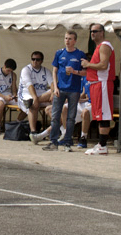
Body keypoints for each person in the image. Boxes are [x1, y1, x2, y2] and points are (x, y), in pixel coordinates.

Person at [33, 31, 85, 149]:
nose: (67, 41)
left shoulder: (80, 54)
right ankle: (53, 142)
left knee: (70, 117)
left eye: (70, 39)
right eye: (66, 38)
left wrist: (74, 71)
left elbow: (86, 72)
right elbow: (54, 71)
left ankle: (68, 142)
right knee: (55, 116)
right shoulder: (59, 53)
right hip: (60, 89)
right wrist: (55, 88)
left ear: (75, 41)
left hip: (74, 90)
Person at [81, 23, 115, 155]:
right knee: (100, 115)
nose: (92, 34)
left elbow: (103, 65)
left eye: (95, 31)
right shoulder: (99, 47)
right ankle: (101, 144)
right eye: (91, 31)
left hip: (102, 83)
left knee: (104, 115)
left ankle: (103, 145)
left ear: (102, 32)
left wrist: (88, 64)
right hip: (96, 84)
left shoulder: (105, 46)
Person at [18, 51, 53, 129]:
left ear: (42, 61)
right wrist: (35, 98)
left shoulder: (46, 71)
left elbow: (52, 84)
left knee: (55, 94)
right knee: (32, 104)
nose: (35, 61)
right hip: (26, 93)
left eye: (37, 59)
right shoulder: (26, 69)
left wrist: (53, 93)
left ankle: (60, 128)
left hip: (41, 95)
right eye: (33, 59)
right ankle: (33, 131)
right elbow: (29, 86)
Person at [0, 58, 18, 135]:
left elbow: (14, 88)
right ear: (4, 66)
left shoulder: (13, 75)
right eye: (8, 70)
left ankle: (16, 123)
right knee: (1, 105)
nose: (9, 72)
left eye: (11, 71)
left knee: (25, 104)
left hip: (8, 95)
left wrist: (15, 95)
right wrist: (4, 97)